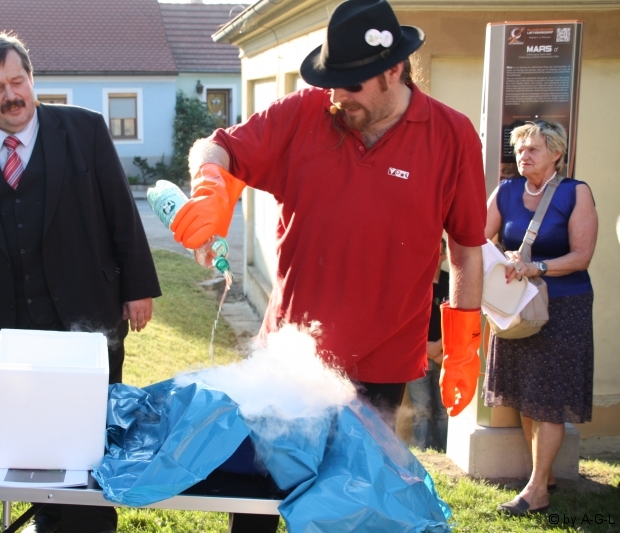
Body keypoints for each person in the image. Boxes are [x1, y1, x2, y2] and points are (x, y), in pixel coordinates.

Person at [171, 0, 486, 530]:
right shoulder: (303, 114)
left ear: (394, 70)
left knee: (354, 510)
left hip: (382, 369)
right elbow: (216, 146)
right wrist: (210, 188)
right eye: (330, 81)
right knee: (256, 506)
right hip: (290, 361)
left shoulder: (452, 135)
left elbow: (468, 248)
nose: (337, 96)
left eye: (351, 84)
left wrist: (465, 342)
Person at [0, 33, 161, 533]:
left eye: (18, 81)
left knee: (88, 432)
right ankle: (49, 516)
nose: (11, 96)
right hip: (3, 325)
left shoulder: (85, 130)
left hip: (85, 313)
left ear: (32, 78)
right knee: (28, 434)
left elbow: (121, 212)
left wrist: (137, 287)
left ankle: (90, 522)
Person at [484, 120, 597, 516]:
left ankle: (536, 491)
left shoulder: (575, 192)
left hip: (564, 305)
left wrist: (538, 267)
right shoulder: (507, 190)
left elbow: (581, 256)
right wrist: (505, 258)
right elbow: (478, 238)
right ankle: (543, 475)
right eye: (519, 149)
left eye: (532, 149)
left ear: (556, 153)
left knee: (549, 397)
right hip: (518, 306)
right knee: (527, 391)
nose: (523, 155)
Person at [407, 238, 449, 452]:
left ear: (444, 256)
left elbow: (460, 321)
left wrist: (439, 347)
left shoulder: (452, 283)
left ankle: (445, 453)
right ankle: (422, 454)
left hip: (446, 356)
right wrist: (425, 350)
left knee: (444, 410)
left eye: (438, 252)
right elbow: (406, 322)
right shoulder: (414, 283)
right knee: (421, 410)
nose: (433, 256)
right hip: (417, 357)